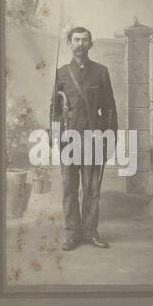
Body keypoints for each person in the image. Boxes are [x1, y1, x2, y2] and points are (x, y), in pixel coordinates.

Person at [50, 27, 118, 251]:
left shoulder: (101, 71)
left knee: (92, 188)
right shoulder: (60, 73)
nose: (80, 43)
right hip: (68, 138)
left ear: (91, 44)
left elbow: (109, 108)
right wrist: (55, 136)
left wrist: (110, 137)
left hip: (93, 136)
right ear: (69, 43)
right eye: (76, 40)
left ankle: (90, 232)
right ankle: (72, 233)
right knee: (69, 187)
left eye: (84, 40)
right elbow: (54, 109)